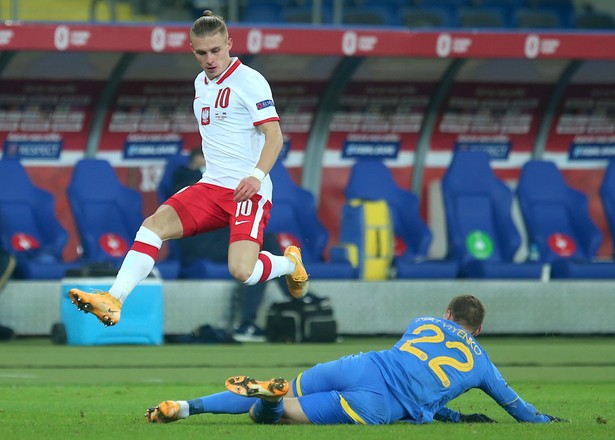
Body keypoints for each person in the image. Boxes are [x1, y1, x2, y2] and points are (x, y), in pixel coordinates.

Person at [68, 10, 309, 327]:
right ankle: (113, 299)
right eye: (201, 53)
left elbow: (274, 137)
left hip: (247, 191)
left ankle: (290, 264)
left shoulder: (250, 81)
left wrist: (256, 175)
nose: (210, 59)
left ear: (229, 44)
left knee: (243, 272)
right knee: (153, 226)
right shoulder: (201, 83)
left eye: (216, 50)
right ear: (192, 51)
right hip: (210, 186)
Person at [145, 295, 567, 425]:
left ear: (449, 315)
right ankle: (270, 402)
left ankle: (186, 407)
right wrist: (547, 422)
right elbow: (518, 409)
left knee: (291, 384)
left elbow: (418, 364)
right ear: (478, 331)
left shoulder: (423, 321)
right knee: (267, 416)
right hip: (377, 403)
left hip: (363, 365)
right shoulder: (483, 364)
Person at [172, 147, 293, 341]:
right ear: (194, 163)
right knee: (260, 246)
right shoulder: (184, 178)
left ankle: (249, 321)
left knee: (262, 242)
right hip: (199, 243)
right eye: (201, 161)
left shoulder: (227, 177)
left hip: (220, 237)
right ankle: (291, 294)